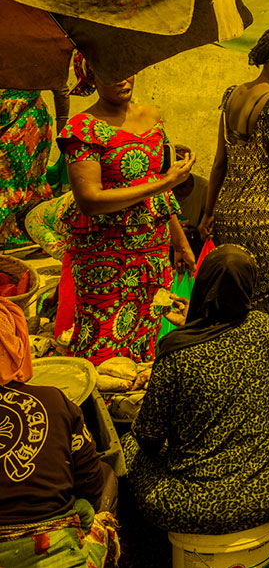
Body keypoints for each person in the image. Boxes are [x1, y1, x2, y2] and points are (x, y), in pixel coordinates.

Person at [122, 244, 269, 534]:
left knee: (129, 446)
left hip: (195, 506)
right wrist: (194, 321)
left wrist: (191, 324)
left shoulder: (176, 351)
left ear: (203, 285)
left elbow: (149, 438)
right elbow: (225, 339)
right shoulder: (262, 327)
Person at [59, 53, 195, 364]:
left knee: (147, 326)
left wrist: (181, 242)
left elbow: (158, 180)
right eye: (110, 73)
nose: (122, 78)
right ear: (90, 78)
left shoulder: (152, 117)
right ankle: (95, 408)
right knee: (101, 334)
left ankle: (132, 401)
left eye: (127, 69)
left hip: (152, 250)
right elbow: (89, 200)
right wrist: (164, 183)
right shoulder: (83, 127)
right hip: (104, 254)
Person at [199, 23, 269, 371]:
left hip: (228, 215)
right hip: (262, 218)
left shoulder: (233, 94)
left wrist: (208, 213)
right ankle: (260, 389)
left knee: (237, 300)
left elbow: (219, 163)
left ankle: (232, 375)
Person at [0, 296, 120, 567]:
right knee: (107, 474)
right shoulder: (55, 400)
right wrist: (80, 508)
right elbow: (90, 480)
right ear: (15, 345)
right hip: (54, 555)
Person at [0, 88, 68, 245]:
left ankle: (37, 233)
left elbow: (61, 87)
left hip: (24, 117)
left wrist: (63, 129)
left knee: (10, 178)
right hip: (14, 114)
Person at [171, 144, 209, 257]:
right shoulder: (160, 187)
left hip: (194, 245)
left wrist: (195, 232)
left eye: (183, 166)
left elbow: (206, 225)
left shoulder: (204, 188)